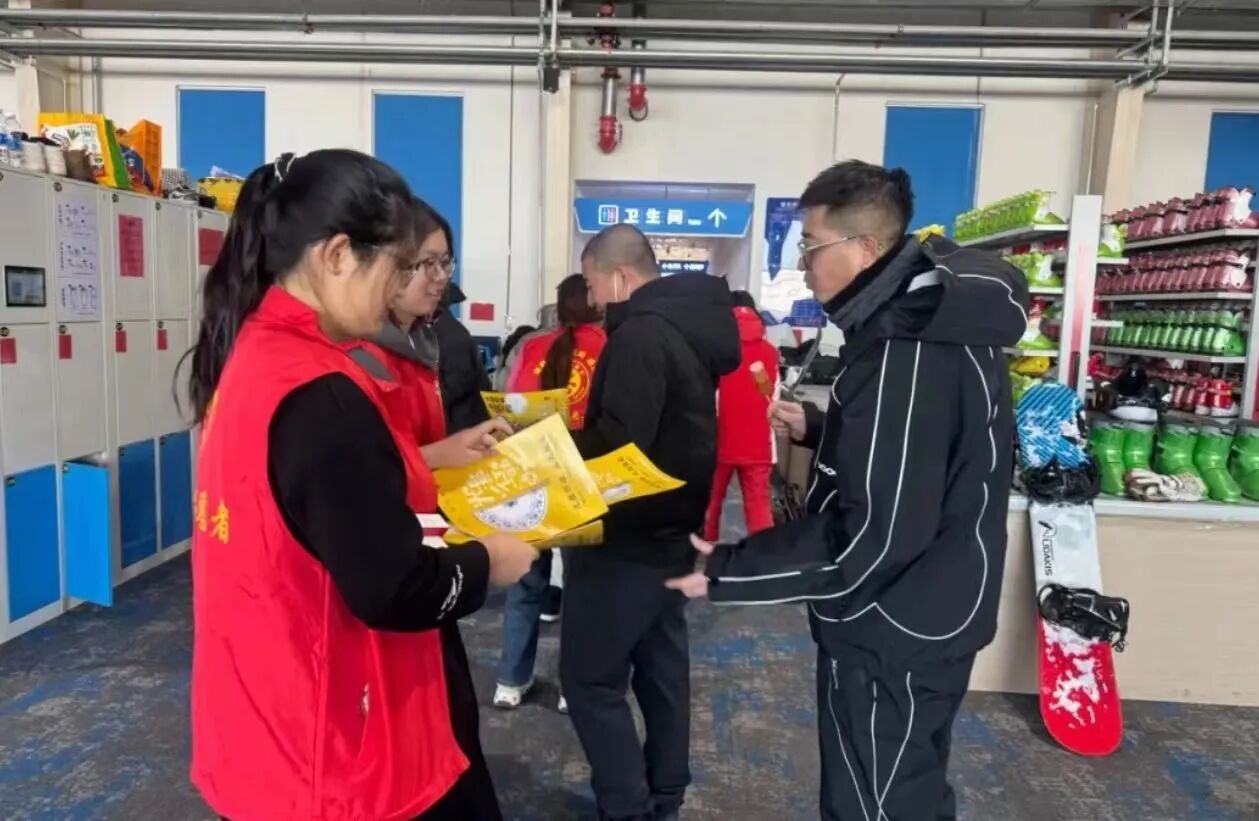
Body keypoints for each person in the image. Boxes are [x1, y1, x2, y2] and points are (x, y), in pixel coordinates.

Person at [667, 161, 1028, 821]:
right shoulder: (938, 328)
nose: (803, 265)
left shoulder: (904, 350)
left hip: (894, 620)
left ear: (862, 248)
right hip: (936, 602)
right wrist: (825, 428)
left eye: (810, 245)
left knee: (875, 800)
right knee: (910, 786)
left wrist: (728, 568)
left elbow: (875, 536)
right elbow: (927, 457)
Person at [183, 150, 537, 821]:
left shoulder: (257, 354)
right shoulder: (322, 393)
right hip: (328, 743)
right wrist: (492, 560)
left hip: (263, 713)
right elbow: (393, 587)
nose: (402, 286)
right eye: (398, 267)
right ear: (338, 254)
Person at [342, 196, 514, 820]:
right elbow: (360, 474)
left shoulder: (424, 343)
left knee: (446, 716)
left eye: (446, 263)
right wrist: (437, 455)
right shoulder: (353, 360)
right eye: (426, 264)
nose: (440, 279)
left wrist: (452, 451)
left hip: (425, 550)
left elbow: (404, 455)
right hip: (384, 571)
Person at [564, 224, 740, 821]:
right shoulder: (688, 329)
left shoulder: (640, 334)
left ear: (619, 276)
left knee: (591, 681)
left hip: (626, 537)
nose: (592, 299)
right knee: (662, 670)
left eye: (592, 284)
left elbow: (621, 444)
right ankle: (665, 792)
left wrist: (552, 444)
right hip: (675, 527)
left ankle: (627, 807)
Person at [493, 274, 606, 712]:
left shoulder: (531, 347)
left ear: (557, 308)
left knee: (525, 584)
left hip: (530, 478)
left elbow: (506, 406)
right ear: (597, 305)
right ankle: (571, 687)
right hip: (584, 481)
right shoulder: (608, 347)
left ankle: (510, 681)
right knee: (581, 589)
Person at [704, 289, 779, 541]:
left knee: (711, 500)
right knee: (759, 506)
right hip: (759, 443)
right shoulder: (770, 352)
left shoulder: (716, 351)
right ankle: (764, 553)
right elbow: (773, 398)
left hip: (721, 440)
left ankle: (704, 546)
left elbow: (710, 398)